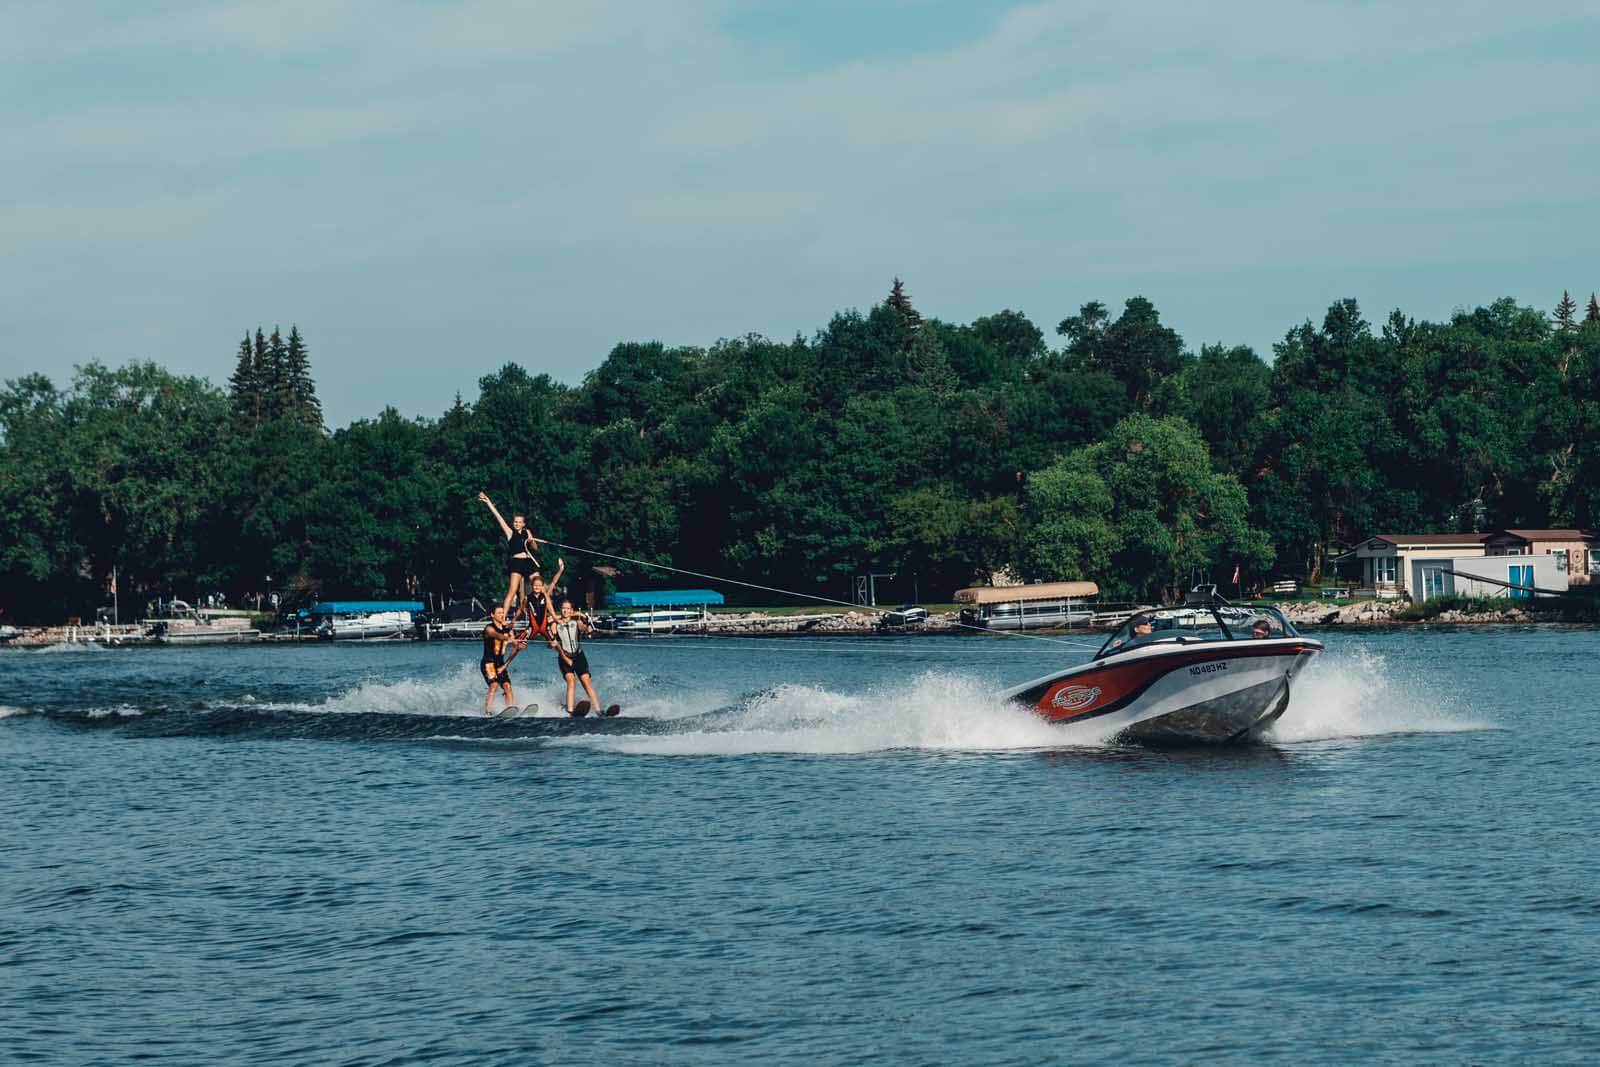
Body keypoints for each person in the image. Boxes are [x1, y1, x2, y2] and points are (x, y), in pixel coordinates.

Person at [477, 492, 542, 614]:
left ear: (523, 523)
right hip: (517, 562)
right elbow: (498, 517)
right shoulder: (510, 533)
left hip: (528, 561)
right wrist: (488, 502)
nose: (516, 524)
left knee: (540, 586)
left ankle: (545, 614)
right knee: (512, 590)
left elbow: (535, 547)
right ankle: (503, 616)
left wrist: (532, 540)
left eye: (519, 522)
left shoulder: (527, 532)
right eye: (515, 522)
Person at [550, 599, 603, 716]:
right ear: (561, 610)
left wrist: (588, 627)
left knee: (586, 681)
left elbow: (585, 629)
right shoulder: (555, 624)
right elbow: (551, 643)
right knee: (571, 681)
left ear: (571, 610)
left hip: (579, 656)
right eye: (564, 608)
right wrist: (551, 644)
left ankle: (598, 710)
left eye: (568, 609)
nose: (566, 611)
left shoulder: (577, 622)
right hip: (564, 657)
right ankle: (570, 711)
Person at [480, 606, 527, 715]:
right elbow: (496, 635)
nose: (502, 615)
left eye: (503, 613)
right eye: (499, 613)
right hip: (488, 663)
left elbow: (516, 647)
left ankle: (510, 710)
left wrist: (519, 646)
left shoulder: (508, 629)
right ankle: (487, 712)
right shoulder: (488, 628)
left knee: (507, 686)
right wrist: (508, 638)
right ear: (492, 615)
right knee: (494, 685)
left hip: (501, 663)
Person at [522, 558, 565, 643]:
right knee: (520, 644)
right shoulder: (528, 597)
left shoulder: (546, 595)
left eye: (539, 585)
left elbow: (553, 582)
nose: (537, 587)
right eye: (535, 585)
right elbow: (522, 608)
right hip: (533, 626)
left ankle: (564, 656)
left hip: (544, 626)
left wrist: (560, 569)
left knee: (555, 644)